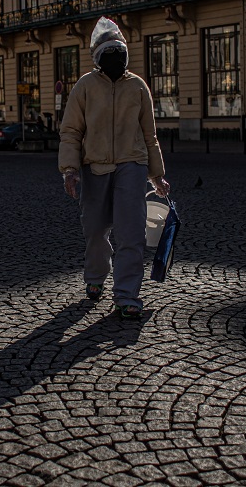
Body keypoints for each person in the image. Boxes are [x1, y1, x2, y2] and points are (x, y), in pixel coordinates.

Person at [58, 17, 170, 320]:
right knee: (95, 229)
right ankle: (96, 275)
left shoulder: (137, 86)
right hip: (95, 166)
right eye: (109, 55)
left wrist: (157, 175)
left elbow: (150, 134)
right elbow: (71, 131)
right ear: (98, 58)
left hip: (132, 165)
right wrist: (70, 169)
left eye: (119, 54)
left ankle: (126, 295)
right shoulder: (85, 86)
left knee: (131, 232)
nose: (116, 60)